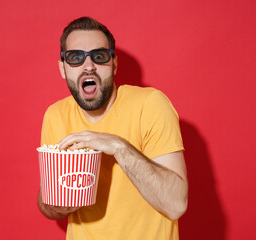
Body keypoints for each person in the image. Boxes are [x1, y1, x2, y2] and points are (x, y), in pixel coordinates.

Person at [37, 16, 188, 240]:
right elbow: (47, 204)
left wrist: (118, 146)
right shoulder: (56, 115)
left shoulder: (151, 104)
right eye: (75, 57)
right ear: (63, 68)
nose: (88, 65)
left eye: (99, 56)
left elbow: (176, 205)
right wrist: (58, 204)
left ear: (114, 64)